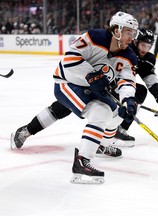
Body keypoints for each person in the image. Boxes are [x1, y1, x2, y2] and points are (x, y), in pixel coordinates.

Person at [13, 11, 140, 184]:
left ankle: (101, 145)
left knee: (117, 113)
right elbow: (69, 60)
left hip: (93, 88)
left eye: (133, 33)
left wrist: (129, 100)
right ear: (116, 30)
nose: (131, 37)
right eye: (128, 32)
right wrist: (91, 76)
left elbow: (126, 82)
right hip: (68, 81)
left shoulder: (129, 56)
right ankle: (82, 161)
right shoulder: (95, 37)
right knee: (100, 113)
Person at [11, 29, 158, 149]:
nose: (144, 49)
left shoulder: (147, 58)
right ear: (135, 41)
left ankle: (117, 130)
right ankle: (27, 130)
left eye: (148, 46)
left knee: (136, 93)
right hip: (90, 80)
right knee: (63, 107)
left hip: (109, 86)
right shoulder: (123, 48)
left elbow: (149, 77)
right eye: (142, 45)